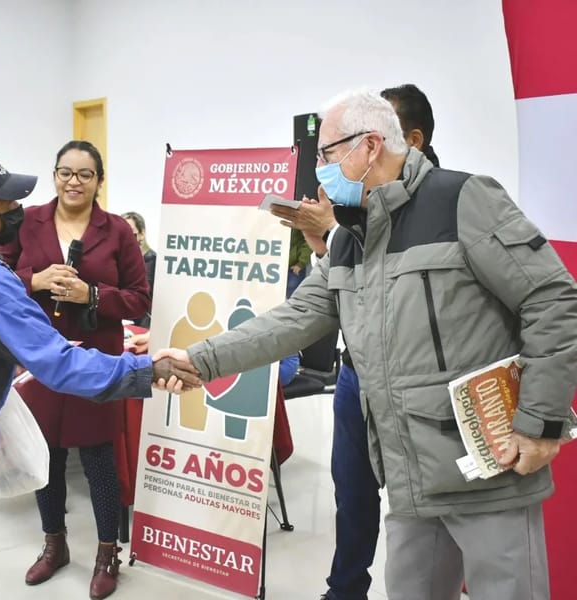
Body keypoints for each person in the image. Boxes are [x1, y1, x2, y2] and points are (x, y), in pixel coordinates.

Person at [158, 89, 577, 600]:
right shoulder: (350, 238)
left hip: (488, 472)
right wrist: (202, 359)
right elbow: (297, 317)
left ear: (371, 145)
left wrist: (540, 421)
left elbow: (553, 299)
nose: (321, 173)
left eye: (328, 156)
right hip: (408, 477)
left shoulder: (462, 200)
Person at [0, 153, 198, 600]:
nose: (17, 212)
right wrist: (147, 369)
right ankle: (54, 541)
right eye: (6, 204)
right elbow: (57, 362)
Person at [273, 83, 442, 600]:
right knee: (352, 490)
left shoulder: (446, 204)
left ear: (403, 139)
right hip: (355, 374)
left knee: (423, 506)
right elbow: (338, 291)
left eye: (367, 137)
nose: (338, 162)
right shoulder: (357, 205)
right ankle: (345, 588)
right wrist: (324, 237)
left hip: (420, 383)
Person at [0, 141, 150, 600]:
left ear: (99, 181)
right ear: (54, 175)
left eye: (85, 174)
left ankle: (108, 555)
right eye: (65, 172)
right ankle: (54, 545)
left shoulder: (119, 230)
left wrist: (94, 296)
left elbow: (141, 299)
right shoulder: (28, 222)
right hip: (40, 358)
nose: (73, 182)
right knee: (47, 457)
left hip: (94, 361)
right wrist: (34, 281)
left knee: (100, 458)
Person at [122, 211, 156, 327]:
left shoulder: (154, 261)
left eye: (130, 233)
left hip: (144, 327)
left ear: (142, 234)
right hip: (121, 323)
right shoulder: (118, 262)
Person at [286, 228, 311, 298]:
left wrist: (301, 263)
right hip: (271, 264)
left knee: (293, 297)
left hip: (294, 266)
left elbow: (309, 238)